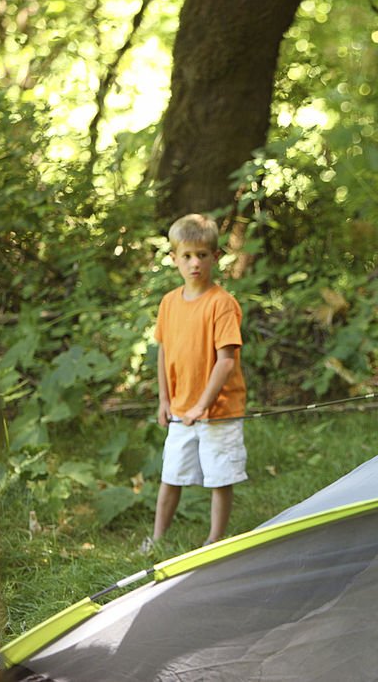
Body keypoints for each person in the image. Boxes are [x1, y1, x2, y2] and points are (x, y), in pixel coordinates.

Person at [140, 214, 248, 553]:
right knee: (171, 474)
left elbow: (226, 360)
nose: (194, 263)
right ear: (173, 259)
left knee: (219, 475)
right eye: (186, 256)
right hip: (180, 410)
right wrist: (164, 400)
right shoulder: (169, 303)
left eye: (202, 254)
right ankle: (157, 538)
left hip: (217, 411)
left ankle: (215, 539)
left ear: (216, 257)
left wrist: (203, 404)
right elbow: (164, 353)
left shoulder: (222, 304)